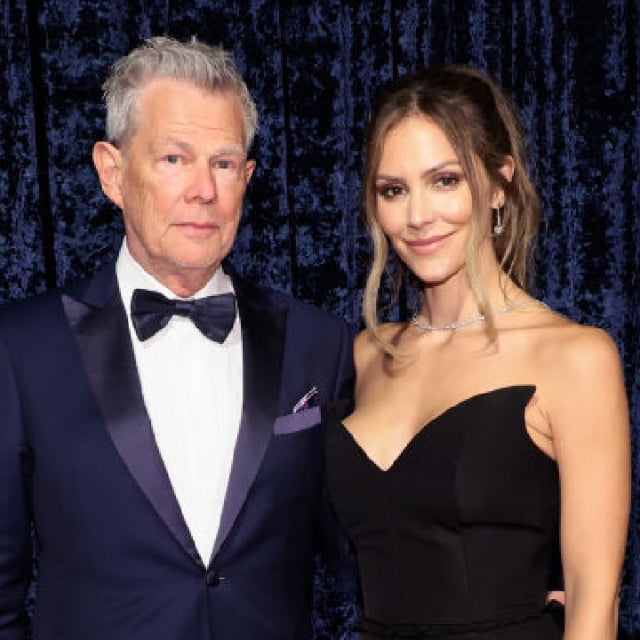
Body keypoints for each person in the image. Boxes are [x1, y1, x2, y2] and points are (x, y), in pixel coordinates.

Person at [0, 36, 354, 640]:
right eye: (174, 159)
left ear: (247, 177)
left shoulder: (319, 343)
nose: (203, 190)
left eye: (223, 163)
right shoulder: (21, 348)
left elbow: (371, 558)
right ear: (112, 173)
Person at [325, 65, 630, 639]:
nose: (418, 216)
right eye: (393, 190)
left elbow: (594, 600)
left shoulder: (575, 358)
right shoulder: (367, 355)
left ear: (498, 184)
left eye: (445, 180)